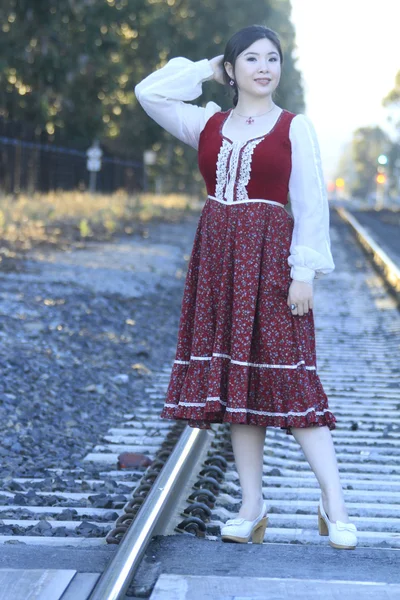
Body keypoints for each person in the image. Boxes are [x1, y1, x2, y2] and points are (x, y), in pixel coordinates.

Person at [134, 24, 358, 550]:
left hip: (273, 260)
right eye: (251, 59)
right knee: (238, 384)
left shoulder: (292, 127)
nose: (264, 67)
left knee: (293, 381)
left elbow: (309, 203)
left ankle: (335, 502)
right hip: (218, 261)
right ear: (232, 70)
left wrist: (304, 272)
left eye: (273, 58)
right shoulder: (207, 124)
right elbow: (149, 92)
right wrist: (208, 68)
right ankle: (252, 505)